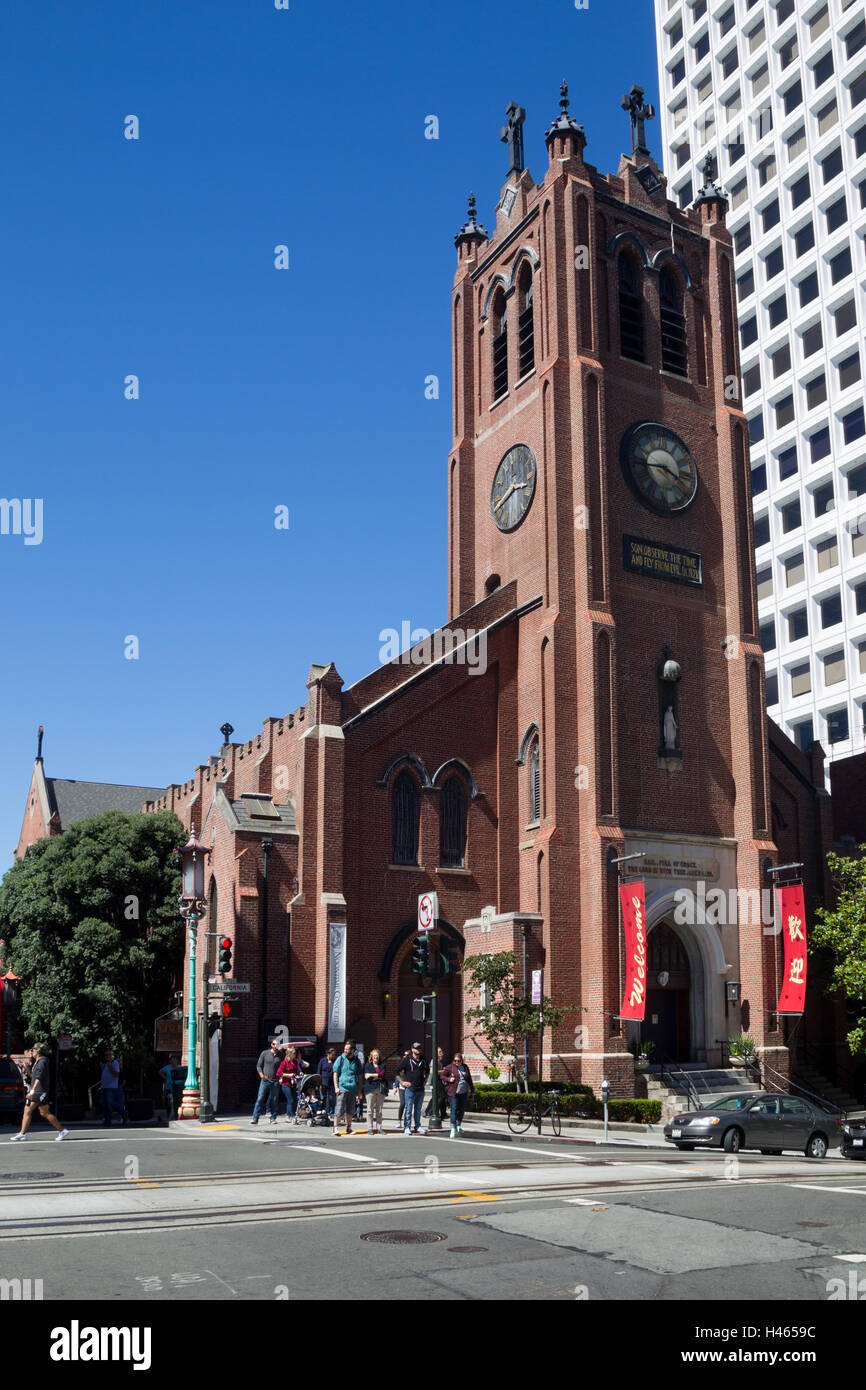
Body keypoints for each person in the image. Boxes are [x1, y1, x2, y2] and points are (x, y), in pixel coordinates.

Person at [11, 1043, 68, 1142]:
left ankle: (22, 1134)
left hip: (39, 1091)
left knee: (28, 1110)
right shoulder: (38, 1062)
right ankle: (62, 1130)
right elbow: (33, 1076)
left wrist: (32, 1091)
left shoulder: (42, 1062)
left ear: (38, 1051)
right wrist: (26, 1068)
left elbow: (39, 1077)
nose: (31, 1052)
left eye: (32, 1050)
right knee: (44, 1112)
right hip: (39, 1090)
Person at [394, 1041, 429, 1136]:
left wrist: (425, 1080)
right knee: (408, 1109)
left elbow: (428, 1071)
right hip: (410, 1089)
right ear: (412, 1049)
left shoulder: (423, 1059)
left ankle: (417, 1126)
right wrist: (402, 1082)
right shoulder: (407, 1060)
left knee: (418, 1109)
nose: (418, 1050)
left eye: (420, 1048)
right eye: (416, 1048)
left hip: (420, 1089)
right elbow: (396, 1071)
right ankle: (407, 1127)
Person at [332, 1039, 364, 1135]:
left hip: (353, 1088)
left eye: (347, 1049)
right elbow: (335, 1074)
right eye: (344, 1049)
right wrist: (336, 1087)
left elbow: (360, 1076)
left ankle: (349, 1128)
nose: (345, 1051)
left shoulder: (357, 1061)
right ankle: (335, 1128)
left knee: (350, 1110)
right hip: (342, 1088)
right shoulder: (340, 1059)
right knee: (339, 1108)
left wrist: (359, 1091)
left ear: (353, 1050)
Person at [440, 1052, 475, 1137]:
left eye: (458, 1061)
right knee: (454, 1109)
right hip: (453, 1092)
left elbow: (469, 1078)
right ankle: (453, 1128)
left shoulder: (465, 1067)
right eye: (455, 1061)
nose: (456, 1062)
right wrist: (449, 1079)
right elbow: (442, 1076)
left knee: (462, 1109)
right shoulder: (450, 1067)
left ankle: (458, 1125)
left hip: (463, 1092)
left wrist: (472, 1089)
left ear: (461, 1061)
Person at [250, 1039, 281, 1125]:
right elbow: (259, 1066)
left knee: (274, 1100)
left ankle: (273, 1118)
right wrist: (261, 1075)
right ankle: (255, 1118)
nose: (276, 1046)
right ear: (271, 1044)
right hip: (265, 1080)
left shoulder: (280, 1055)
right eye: (274, 1044)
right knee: (260, 1098)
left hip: (275, 1081)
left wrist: (281, 1077)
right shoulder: (265, 1053)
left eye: (277, 1044)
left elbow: (282, 1067)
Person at [277, 1047, 306, 1122]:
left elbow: (297, 1070)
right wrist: (288, 1075)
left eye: (295, 1053)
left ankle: (289, 1116)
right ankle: (291, 1116)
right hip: (286, 1084)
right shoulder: (284, 1062)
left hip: (293, 1083)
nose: (295, 1054)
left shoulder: (295, 1062)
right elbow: (278, 1073)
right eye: (294, 1053)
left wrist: (300, 1073)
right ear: (289, 1054)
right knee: (290, 1100)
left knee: (294, 1100)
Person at [364, 1049, 387, 1135]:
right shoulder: (367, 1065)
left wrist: (371, 1075)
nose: (376, 1057)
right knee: (370, 1110)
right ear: (371, 1057)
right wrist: (377, 1076)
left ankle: (379, 1128)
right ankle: (370, 1128)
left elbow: (382, 1075)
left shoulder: (383, 1065)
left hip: (380, 1089)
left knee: (379, 1110)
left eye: (377, 1055)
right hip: (370, 1089)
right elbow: (366, 1077)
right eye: (374, 1056)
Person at [101, 1049, 126, 1126]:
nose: (107, 1056)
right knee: (105, 1104)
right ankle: (107, 1121)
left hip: (112, 1087)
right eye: (106, 1055)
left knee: (111, 1104)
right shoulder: (106, 1064)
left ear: (112, 1055)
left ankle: (124, 1114)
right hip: (105, 1087)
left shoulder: (114, 1063)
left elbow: (116, 1075)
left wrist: (110, 1068)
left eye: (109, 1055)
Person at [425, 1046, 449, 1122]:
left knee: (436, 1097)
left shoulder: (439, 1061)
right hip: (435, 1081)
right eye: (439, 1052)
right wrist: (444, 1071)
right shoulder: (434, 1060)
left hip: (438, 1080)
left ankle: (442, 1114)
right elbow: (432, 1071)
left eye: (441, 1052)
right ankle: (432, 1111)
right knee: (442, 1096)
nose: (442, 1053)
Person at [317, 1047, 337, 1123]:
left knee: (332, 1098)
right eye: (332, 1054)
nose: (334, 1056)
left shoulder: (334, 1061)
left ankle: (332, 1113)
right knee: (322, 1098)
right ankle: (322, 1112)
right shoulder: (322, 1061)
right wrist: (319, 1083)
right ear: (328, 1054)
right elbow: (319, 1072)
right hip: (323, 1082)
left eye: (334, 1055)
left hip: (332, 1082)